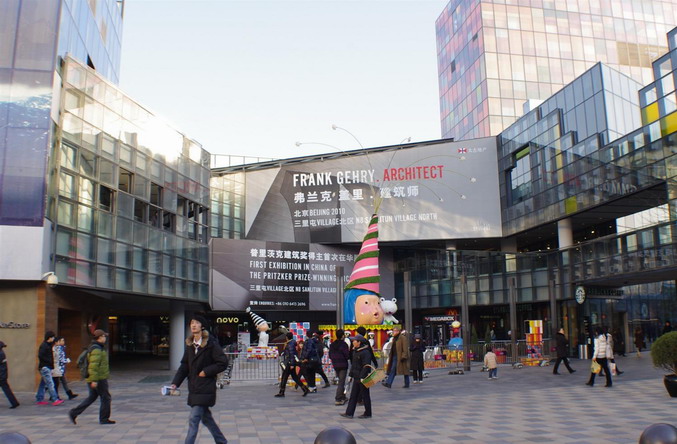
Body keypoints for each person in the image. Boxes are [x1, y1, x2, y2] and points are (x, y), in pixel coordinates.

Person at [170, 315, 228, 444]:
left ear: (202, 326)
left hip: (206, 386)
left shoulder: (211, 344)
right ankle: (221, 441)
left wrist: (206, 371)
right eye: (192, 323)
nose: (193, 325)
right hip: (194, 387)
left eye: (196, 323)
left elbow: (223, 362)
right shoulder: (190, 345)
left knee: (194, 417)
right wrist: (175, 384)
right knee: (206, 418)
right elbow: (184, 366)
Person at [69, 329, 115, 424]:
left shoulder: (96, 347)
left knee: (92, 397)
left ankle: (73, 413)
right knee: (106, 397)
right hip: (98, 378)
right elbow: (93, 366)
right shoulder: (96, 349)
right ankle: (104, 419)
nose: (105, 338)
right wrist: (94, 380)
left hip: (95, 378)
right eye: (104, 336)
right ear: (99, 337)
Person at [340, 334, 373, 419]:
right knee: (353, 395)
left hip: (363, 378)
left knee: (365, 395)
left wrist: (362, 376)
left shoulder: (365, 352)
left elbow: (366, 365)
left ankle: (368, 413)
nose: (353, 342)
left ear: (359, 342)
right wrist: (351, 375)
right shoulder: (356, 351)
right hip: (356, 376)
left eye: (354, 341)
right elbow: (354, 365)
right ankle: (349, 413)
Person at [275, 332, 310, 397]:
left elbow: (291, 354)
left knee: (284, 377)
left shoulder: (290, 345)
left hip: (289, 363)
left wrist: (292, 364)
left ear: (287, 337)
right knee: (295, 377)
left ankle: (282, 392)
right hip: (291, 362)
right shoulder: (292, 343)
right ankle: (304, 388)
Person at [36, 331, 63, 406]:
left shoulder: (48, 345)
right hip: (45, 367)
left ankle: (39, 398)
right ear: (49, 338)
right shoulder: (44, 346)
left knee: (43, 383)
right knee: (50, 383)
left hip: (47, 367)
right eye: (53, 337)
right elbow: (41, 355)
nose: (53, 339)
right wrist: (49, 362)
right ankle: (55, 399)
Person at [329, 329, 350, 405]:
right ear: (342, 336)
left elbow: (330, 355)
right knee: (341, 382)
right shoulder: (344, 344)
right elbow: (347, 355)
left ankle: (343, 396)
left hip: (335, 364)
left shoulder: (332, 344)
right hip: (343, 365)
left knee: (341, 381)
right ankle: (338, 398)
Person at [0, 341, 19, 409]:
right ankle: (14, 402)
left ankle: (14, 403)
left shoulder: (0, 354)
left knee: (7, 390)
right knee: (7, 390)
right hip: (2, 375)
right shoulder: (2, 353)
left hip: (1, 376)